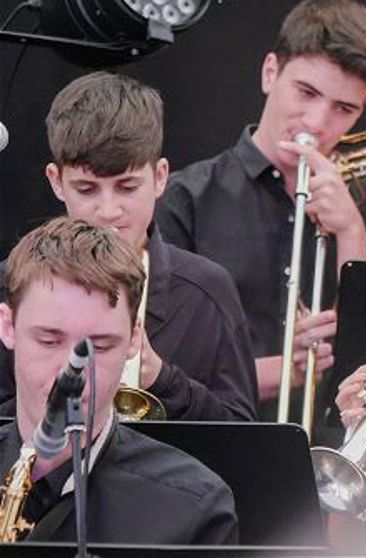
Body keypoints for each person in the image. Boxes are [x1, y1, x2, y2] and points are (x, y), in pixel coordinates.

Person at [155, 0, 366, 436]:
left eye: (345, 109)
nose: (319, 122)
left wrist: (351, 231)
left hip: (333, 451)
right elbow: (164, 363)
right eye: (307, 93)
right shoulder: (187, 199)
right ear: (270, 73)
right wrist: (286, 370)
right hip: (215, 444)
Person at [0, 72, 257, 422]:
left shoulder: (207, 290)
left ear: (161, 177)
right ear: (56, 182)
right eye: (87, 189)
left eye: (127, 187)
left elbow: (245, 438)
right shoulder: (10, 284)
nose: (108, 212)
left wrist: (161, 378)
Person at [0, 217, 238, 543]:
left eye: (98, 346)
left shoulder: (194, 507)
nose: (72, 373)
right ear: (7, 327)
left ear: (134, 339)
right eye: (49, 341)